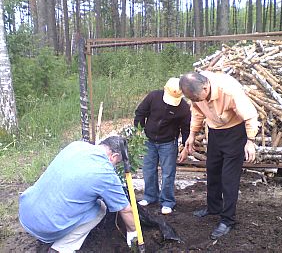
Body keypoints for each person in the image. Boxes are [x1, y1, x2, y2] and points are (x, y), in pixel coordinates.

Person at [18, 136, 137, 252]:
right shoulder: (105, 172)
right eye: (117, 162)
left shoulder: (76, 145)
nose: (115, 166)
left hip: (26, 212)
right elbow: (125, 210)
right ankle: (62, 248)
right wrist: (133, 232)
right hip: (47, 226)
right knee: (100, 209)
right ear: (114, 156)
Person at [179, 71, 259, 240]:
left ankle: (227, 220)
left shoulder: (228, 90)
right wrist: (192, 135)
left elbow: (250, 115)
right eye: (193, 99)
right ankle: (213, 207)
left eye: (197, 98)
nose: (196, 101)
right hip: (215, 132)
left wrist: (250, 140)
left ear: (206, 87)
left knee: (229, 178)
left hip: (236, 132)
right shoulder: (196, 95)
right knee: (213, 170)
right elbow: (197, 112)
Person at [134, 77, 191, 215]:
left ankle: (167, 202)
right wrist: (139, 130)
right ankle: (150, 196)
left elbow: (185, 128)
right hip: (149, 140)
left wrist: (184, 146)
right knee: (148, 170)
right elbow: (140, 112)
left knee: (168, 173)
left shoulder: (183, 107)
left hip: (168, 143)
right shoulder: (153, 96)